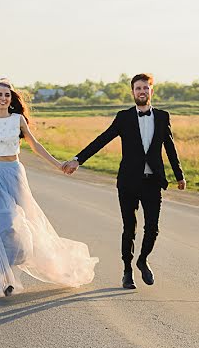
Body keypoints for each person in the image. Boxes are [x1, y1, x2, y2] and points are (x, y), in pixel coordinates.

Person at [0, 78, 98, 297]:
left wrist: (58, 165)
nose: (3, 98)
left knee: (27, 222)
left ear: (11, 99)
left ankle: (36, 258)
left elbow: (35, 146)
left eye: (7, 95)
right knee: (3, 227)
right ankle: (4, 280)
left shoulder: (18, 120)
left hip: (14, 174)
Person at [61, 73, 185, 290]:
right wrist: (78, 159)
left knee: (153, 228)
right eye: (138, 88)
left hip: (153, 182)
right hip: (128, 182)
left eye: (145, 88)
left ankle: (142, 259)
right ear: (132, 92)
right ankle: (127, 271)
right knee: (130, 227)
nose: (142, 92)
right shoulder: (124, 117)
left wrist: (179, 175)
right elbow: (102, 139)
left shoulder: (163, 117)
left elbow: (170, 147)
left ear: (151, 91)